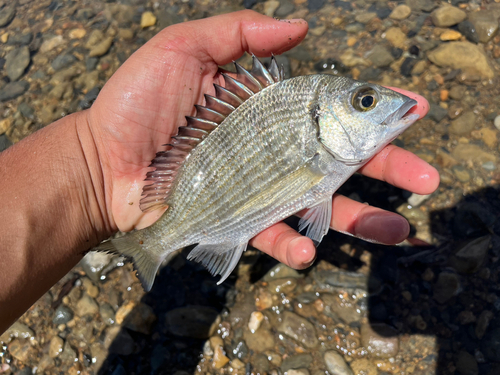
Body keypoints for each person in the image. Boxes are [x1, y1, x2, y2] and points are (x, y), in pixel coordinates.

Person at [0, 10, 439, 333]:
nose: (379, 105)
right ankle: (149, 245)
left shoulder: (317, 128)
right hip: (202, 202)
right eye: (364, 101)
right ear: (323, 118)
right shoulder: (299, 112)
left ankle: (153, 243)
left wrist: (92, 166)